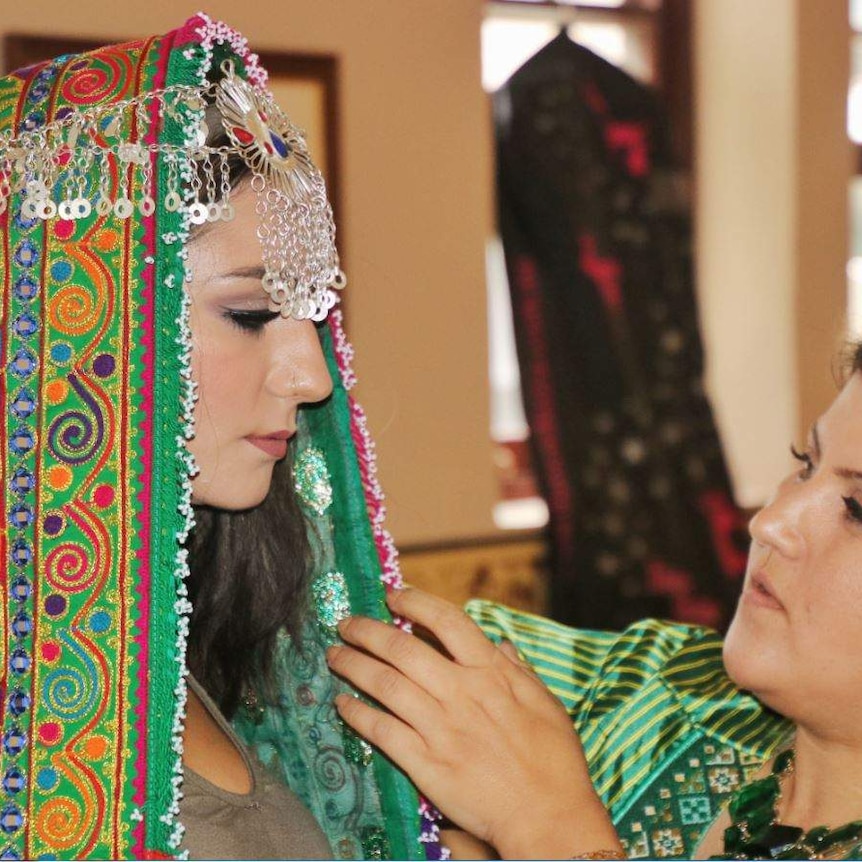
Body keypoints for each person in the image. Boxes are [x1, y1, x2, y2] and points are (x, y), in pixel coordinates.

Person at [0, 15, 445, 860]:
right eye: (249, 313)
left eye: (313, 314)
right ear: (72, 319)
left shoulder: (164, 632)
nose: (312, 378)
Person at [328, 346, 862, 860]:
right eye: (805, 463)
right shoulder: (667, 694)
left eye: (857, 510)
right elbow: (355, 657)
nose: (769, 522)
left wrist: (545, 826)